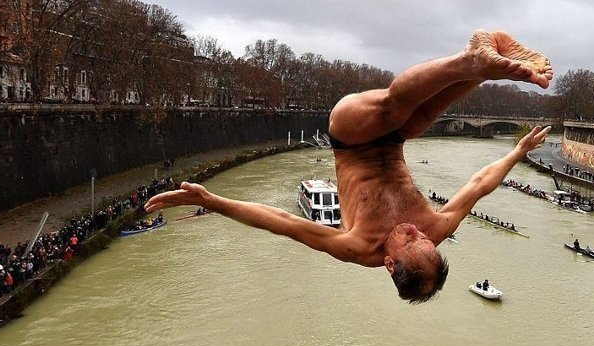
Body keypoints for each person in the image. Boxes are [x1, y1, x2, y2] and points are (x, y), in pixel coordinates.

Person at [145, 29, 552, 303]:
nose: (417, 231)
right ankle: (485, 64)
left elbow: (282, 222)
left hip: (351, 134)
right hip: (394, 140)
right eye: (426, 241)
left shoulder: (356, 248)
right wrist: (517, 153)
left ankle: (472, 60)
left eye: (410, 240)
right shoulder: (435, 231)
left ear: (389, 263)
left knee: (397, 104)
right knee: (423, 114)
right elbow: (480, 185)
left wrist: (213, 201)